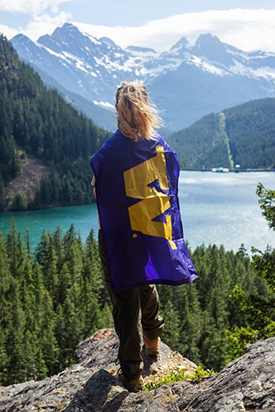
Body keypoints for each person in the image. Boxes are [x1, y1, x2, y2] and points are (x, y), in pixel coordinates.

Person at [91, 81, 197, 392]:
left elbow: (101, 193)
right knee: (145, 281)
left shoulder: (108, 153)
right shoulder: (159, 144)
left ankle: (132, 375)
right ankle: (152, 343)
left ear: (116, 110)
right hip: (150, 227)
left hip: (118, 236)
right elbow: (168, 188)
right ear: (146, 107)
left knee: (125, 295)